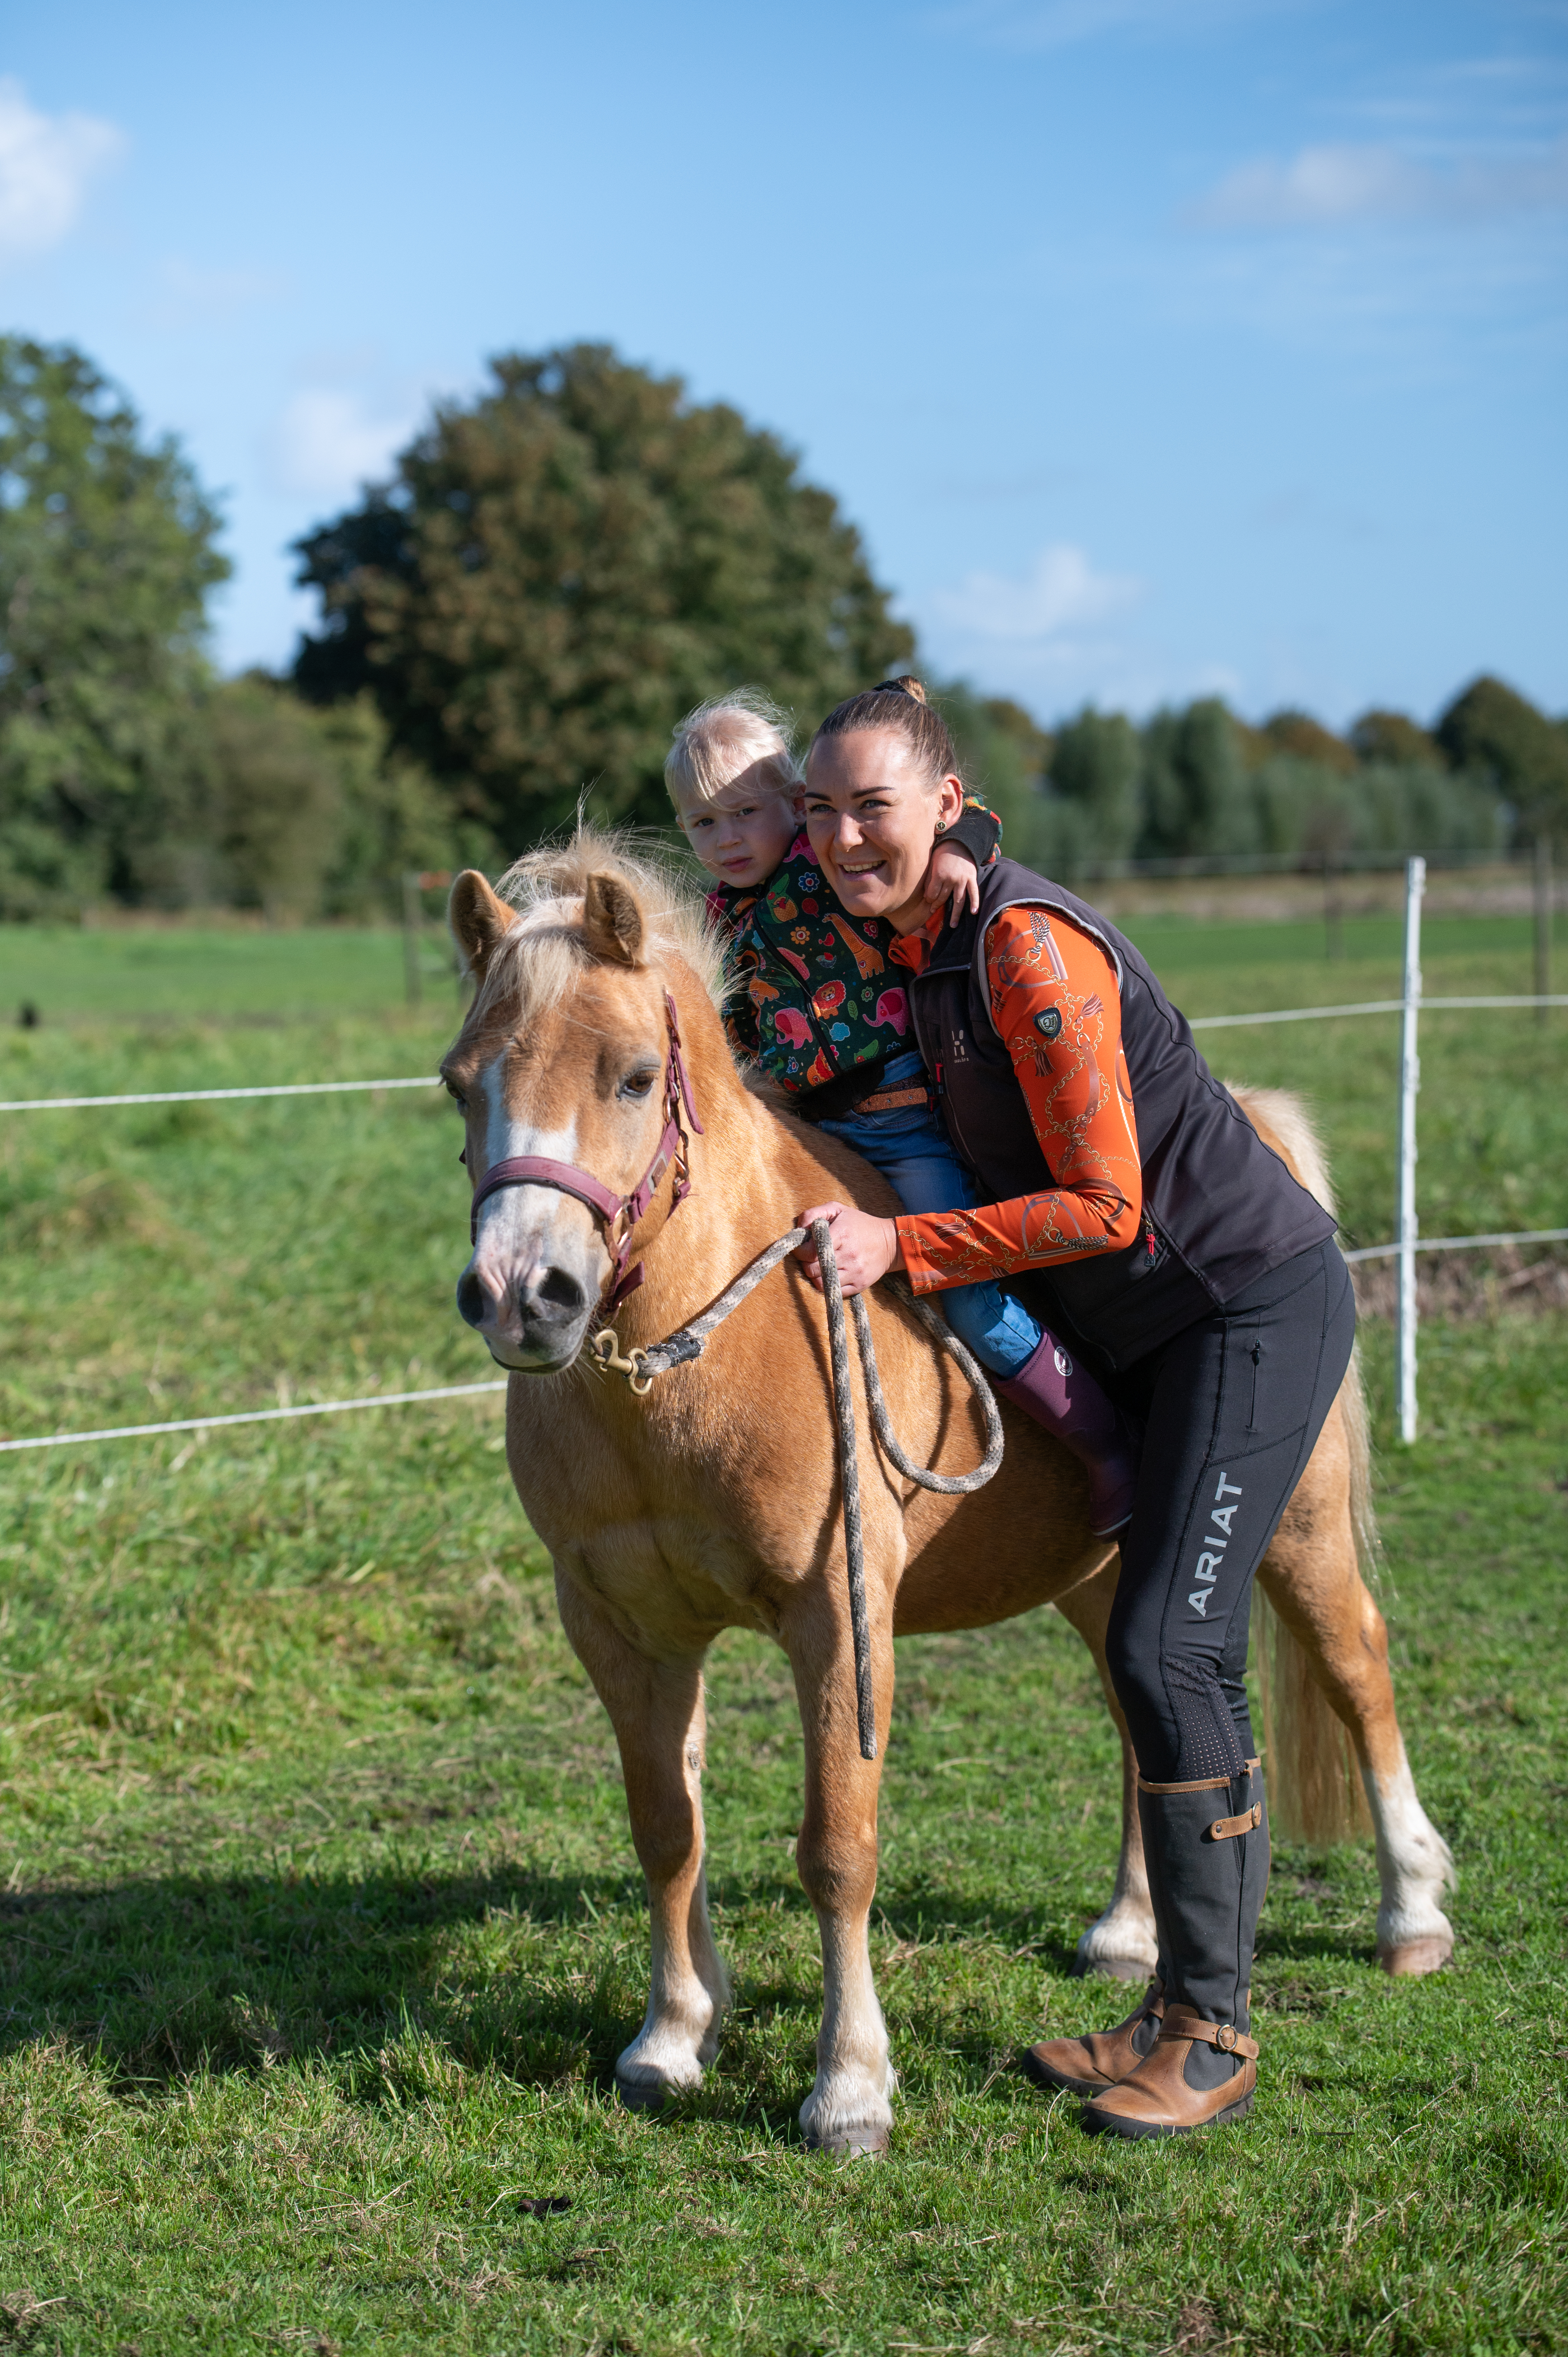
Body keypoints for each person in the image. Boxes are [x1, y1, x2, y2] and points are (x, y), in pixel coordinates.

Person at [792, 678, 1354, 2140]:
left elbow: (1106, 1203)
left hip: (1239, 1303)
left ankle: (1215, 2031)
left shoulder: (1023, 947)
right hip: (1153, 1328)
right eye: (823, 808)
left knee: (1169, 1645)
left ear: (944, 797)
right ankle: (1170, 2011)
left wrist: (899, 1246)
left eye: (875, 804)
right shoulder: (910, 937)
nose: (847, 834)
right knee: (1157, 1646)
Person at [665, 688, 1137, 1534]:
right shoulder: (714, 918)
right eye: (701, 824)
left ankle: (1104, 1444)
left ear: (797, 810)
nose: (726, 839)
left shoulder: (832, 868)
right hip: (807, 1127)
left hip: (904, 1118)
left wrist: (959, 850)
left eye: (745, 813)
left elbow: (957, 810)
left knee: (965, 1298)